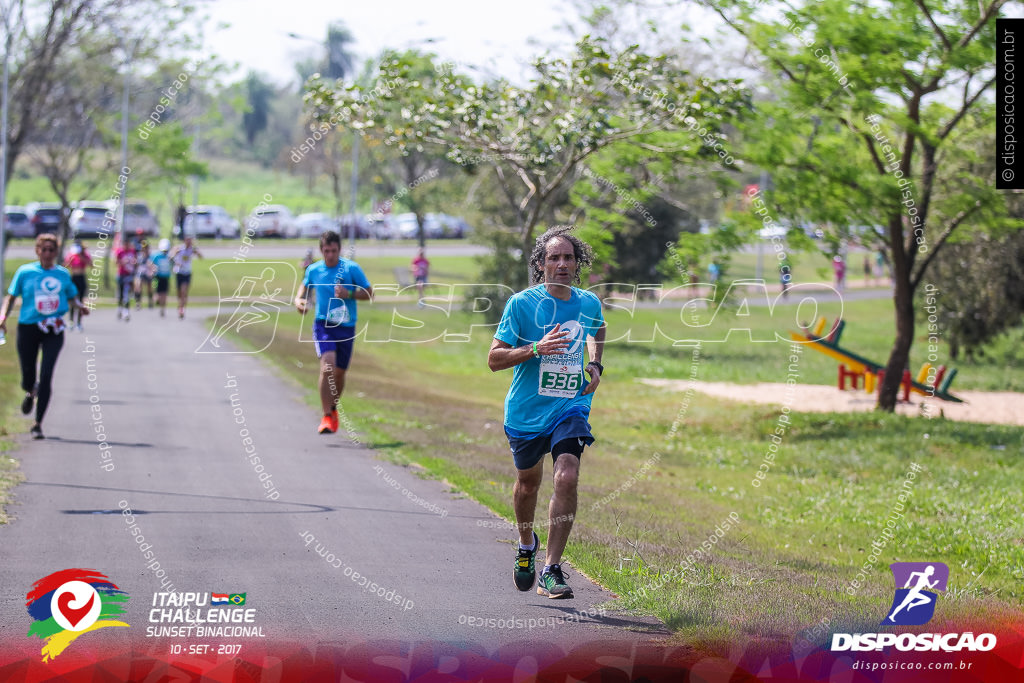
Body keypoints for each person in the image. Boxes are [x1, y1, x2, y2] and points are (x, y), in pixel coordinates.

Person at [487, 226, 606, 599]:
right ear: (541, 265)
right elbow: (493, 359)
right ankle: (526, 544)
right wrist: (536, 348)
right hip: (525, 411)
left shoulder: (588, 302)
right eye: (553, 258)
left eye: (568, 257)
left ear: (577, 263)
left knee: (567, 475)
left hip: (569, 405)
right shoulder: (522, 305)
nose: (562, 264)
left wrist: (596, 364)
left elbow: (597, 330)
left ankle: (552, 569)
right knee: (527, 486)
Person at [0, 234, 89, 439]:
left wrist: (80, 306)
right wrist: (3, 317)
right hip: (29, 327)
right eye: (44, 249)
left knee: (47, 374)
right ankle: (31, 390)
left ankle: (38, 423)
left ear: (56, 253)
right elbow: (11, 296)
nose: (48, 253)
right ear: (37, 251)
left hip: (54, 330)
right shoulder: (25, 272)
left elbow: (72, 295)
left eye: (51, 250)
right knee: (27, 375)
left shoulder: (62, 274)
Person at [293, 230, 372, 434]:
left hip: (346, 326)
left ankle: (333, 409)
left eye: (334, 251)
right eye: (326, 251)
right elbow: (303, 288)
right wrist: (299, 301)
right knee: (327, 367)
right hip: (323, 325)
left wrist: (350, 293)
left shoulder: (351, 268)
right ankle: (326, 416)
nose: (330, 255)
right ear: (321, 250)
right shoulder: (314, 269)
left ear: (339, 250)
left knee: (339, 373)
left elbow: (369, 294)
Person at [63, 239, 92, 331]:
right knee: (72, 301)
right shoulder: (71, 254)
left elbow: (91, 264)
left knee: (80, 301)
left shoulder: (85, 255)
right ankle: (71, 321)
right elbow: (65, 266)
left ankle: (79, 322)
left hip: (81, 278)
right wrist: (71, 258)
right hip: (73, 278)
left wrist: (81, 256)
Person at [171, 236, 202, 319]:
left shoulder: (192, 249)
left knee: (184, 292)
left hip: (187, 273)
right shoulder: (180, 248)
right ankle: (180, 305)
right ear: (184, 241)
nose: (189, 242)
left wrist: (197, 251)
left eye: (190, 240)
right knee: (179, 293)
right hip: (179, 272)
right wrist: (175, 253)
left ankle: (182, 309)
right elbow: (171, 257)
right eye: (187, 240)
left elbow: (200, 257)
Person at [114, 239, 138, 321]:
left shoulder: (132, 251)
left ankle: (126, 311)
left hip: (129, 275)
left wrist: (134, 263)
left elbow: (136, 261)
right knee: (120, 294)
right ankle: (120, 309)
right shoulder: (120, 252)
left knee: (127, 294)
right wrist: (123, 262)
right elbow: (116, 262)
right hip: (121, 275)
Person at [150, 239, 173, 317]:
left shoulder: (169, 256)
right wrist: (153, 269)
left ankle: (162, 309)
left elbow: (173, 264)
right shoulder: (157, 256)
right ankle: (156, 301)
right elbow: (151, 264)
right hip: (158, 277)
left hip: (166, 277)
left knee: (164, 294)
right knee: (158, 293)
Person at [134, 240, 153, 309]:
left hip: (147, 273)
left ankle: (150, 301)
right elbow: (136, 264)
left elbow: (151, 264)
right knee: (138, 286)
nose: (144, 249)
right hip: (140, 273)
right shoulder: (139, 255)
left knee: (149, 288)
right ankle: (138, 302)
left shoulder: (150, 256)